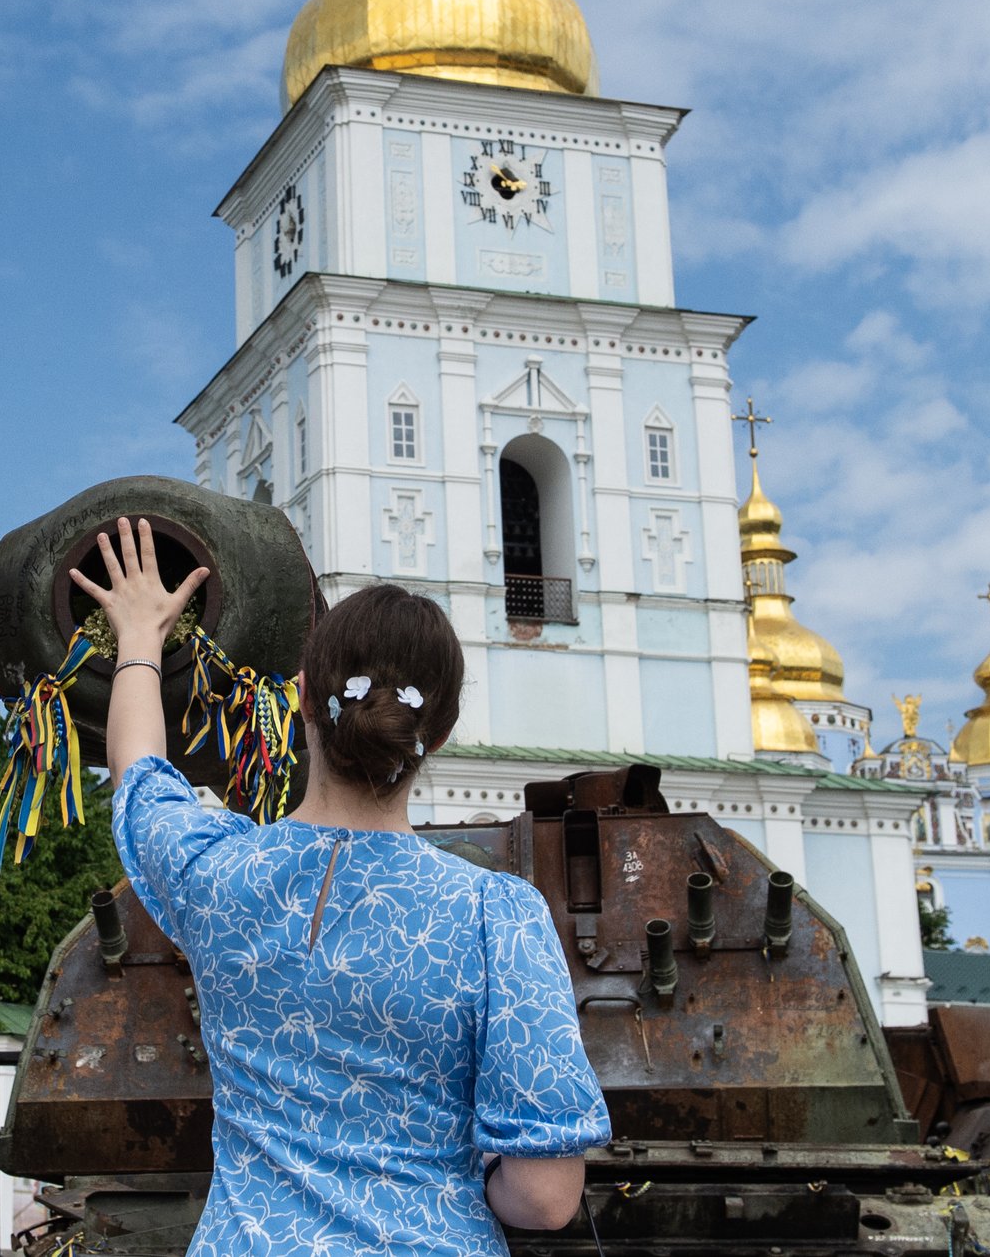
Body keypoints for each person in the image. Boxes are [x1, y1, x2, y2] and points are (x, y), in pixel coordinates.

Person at [73, 518, 608, 1256]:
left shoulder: (216, 875)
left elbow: (140, 776)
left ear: (298, 697)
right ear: (439, 735)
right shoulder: (496, 915)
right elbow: (546, 1198)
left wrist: (137, 637)